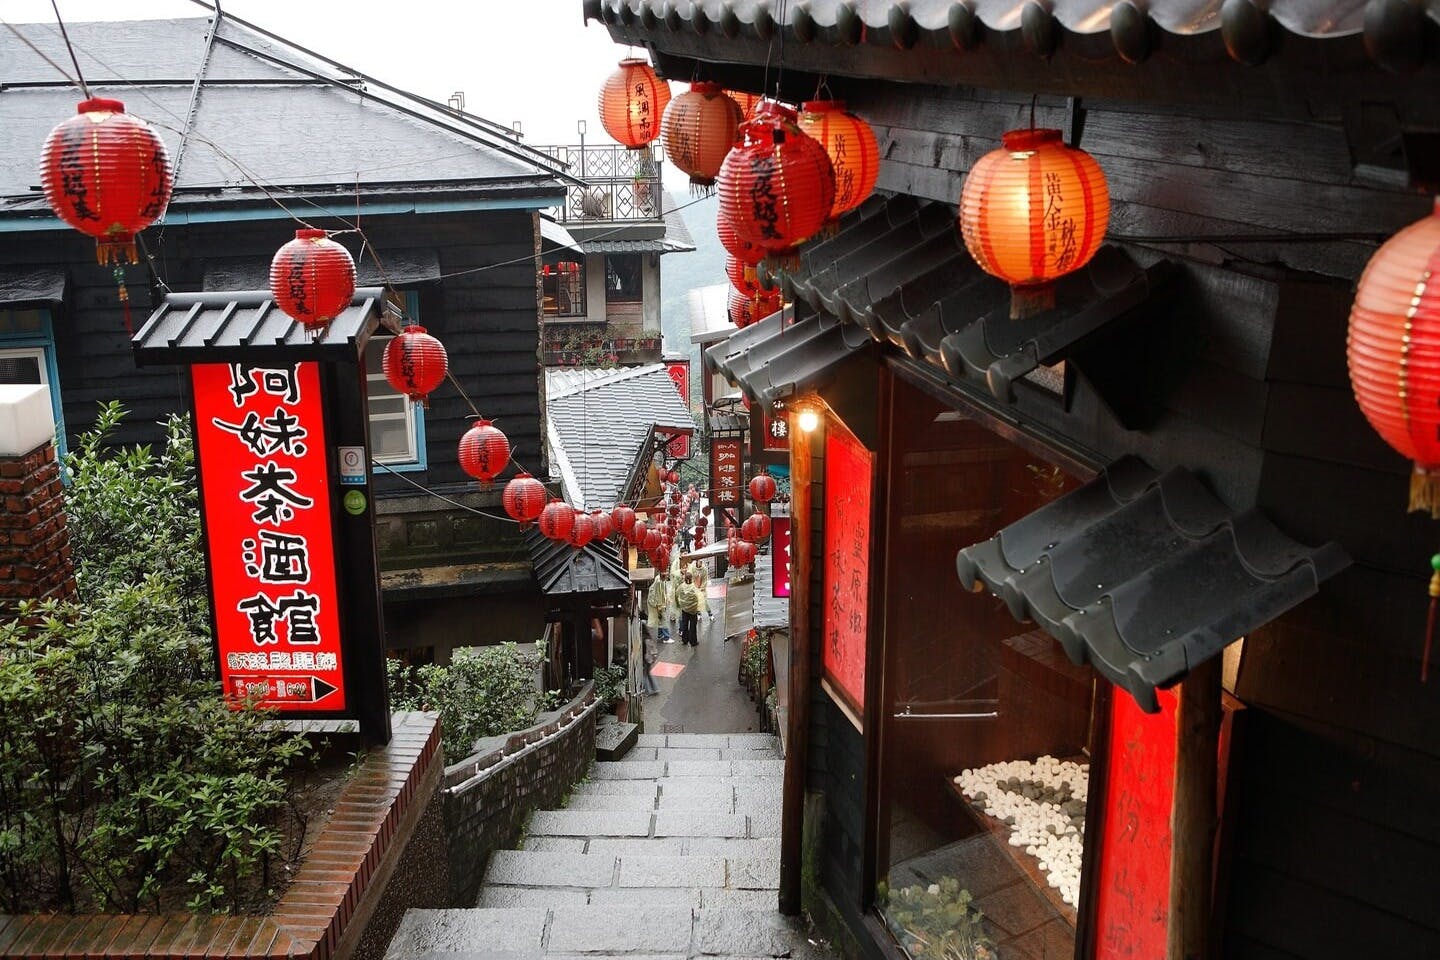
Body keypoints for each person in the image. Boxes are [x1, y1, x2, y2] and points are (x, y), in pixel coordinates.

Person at [675, 572, 702, 647]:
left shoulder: (681, 586)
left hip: (684, 609)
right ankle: (693, 641)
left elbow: (676, 594)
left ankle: (685, 640)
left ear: (684, 579)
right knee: (693, 626)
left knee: (685, 624)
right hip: (693, 610)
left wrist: (678, 604)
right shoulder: (694, 587)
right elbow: (698, 596)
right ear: (691, 578)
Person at [647, 572, 673, 643]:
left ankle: (660, 634)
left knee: (660, 619)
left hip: (658, 603)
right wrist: (660, 606)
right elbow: (658, 595)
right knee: (663, 619)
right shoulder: (659, 583)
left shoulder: (659, 579)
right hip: (658, 604)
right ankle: (666, 637)